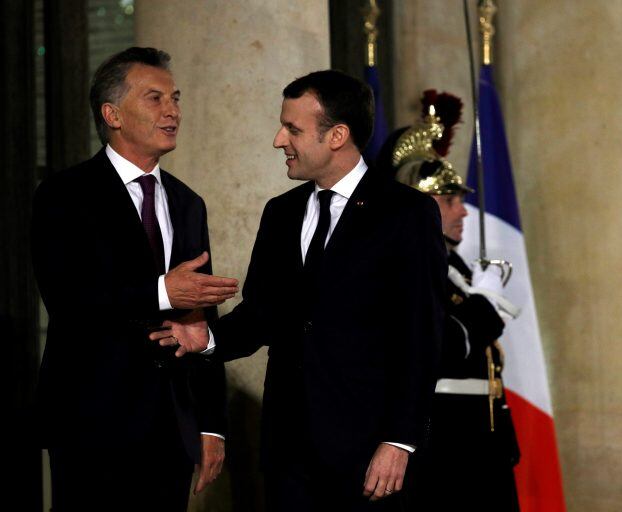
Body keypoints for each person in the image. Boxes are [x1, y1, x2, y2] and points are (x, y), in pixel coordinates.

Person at [152, 70, 446, 511]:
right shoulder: (281, 213)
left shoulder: (406, 214)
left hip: (370, 453)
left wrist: (399, 440)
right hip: (288, 452)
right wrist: (209, 338)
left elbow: (421, 335)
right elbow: (261, 315)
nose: (278, 140)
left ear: (337, 136)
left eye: (292, 128)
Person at [31, 47, 238, 511]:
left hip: (171, 427)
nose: (173, 111)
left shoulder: (188, 203)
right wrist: (163, 290)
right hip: (90, 420)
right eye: (155, 98)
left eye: (176, 98)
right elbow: (68, 300)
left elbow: (199, 319)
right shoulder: (64, 195)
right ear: (112, 114)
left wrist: (211, 425)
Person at [380, 91, 521, 511]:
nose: (462, 211)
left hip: (476, 442)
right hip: (442, 443)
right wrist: (486, 308)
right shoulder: (409, 266)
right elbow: (446, 348)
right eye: (449, 201)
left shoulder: (449, 266)